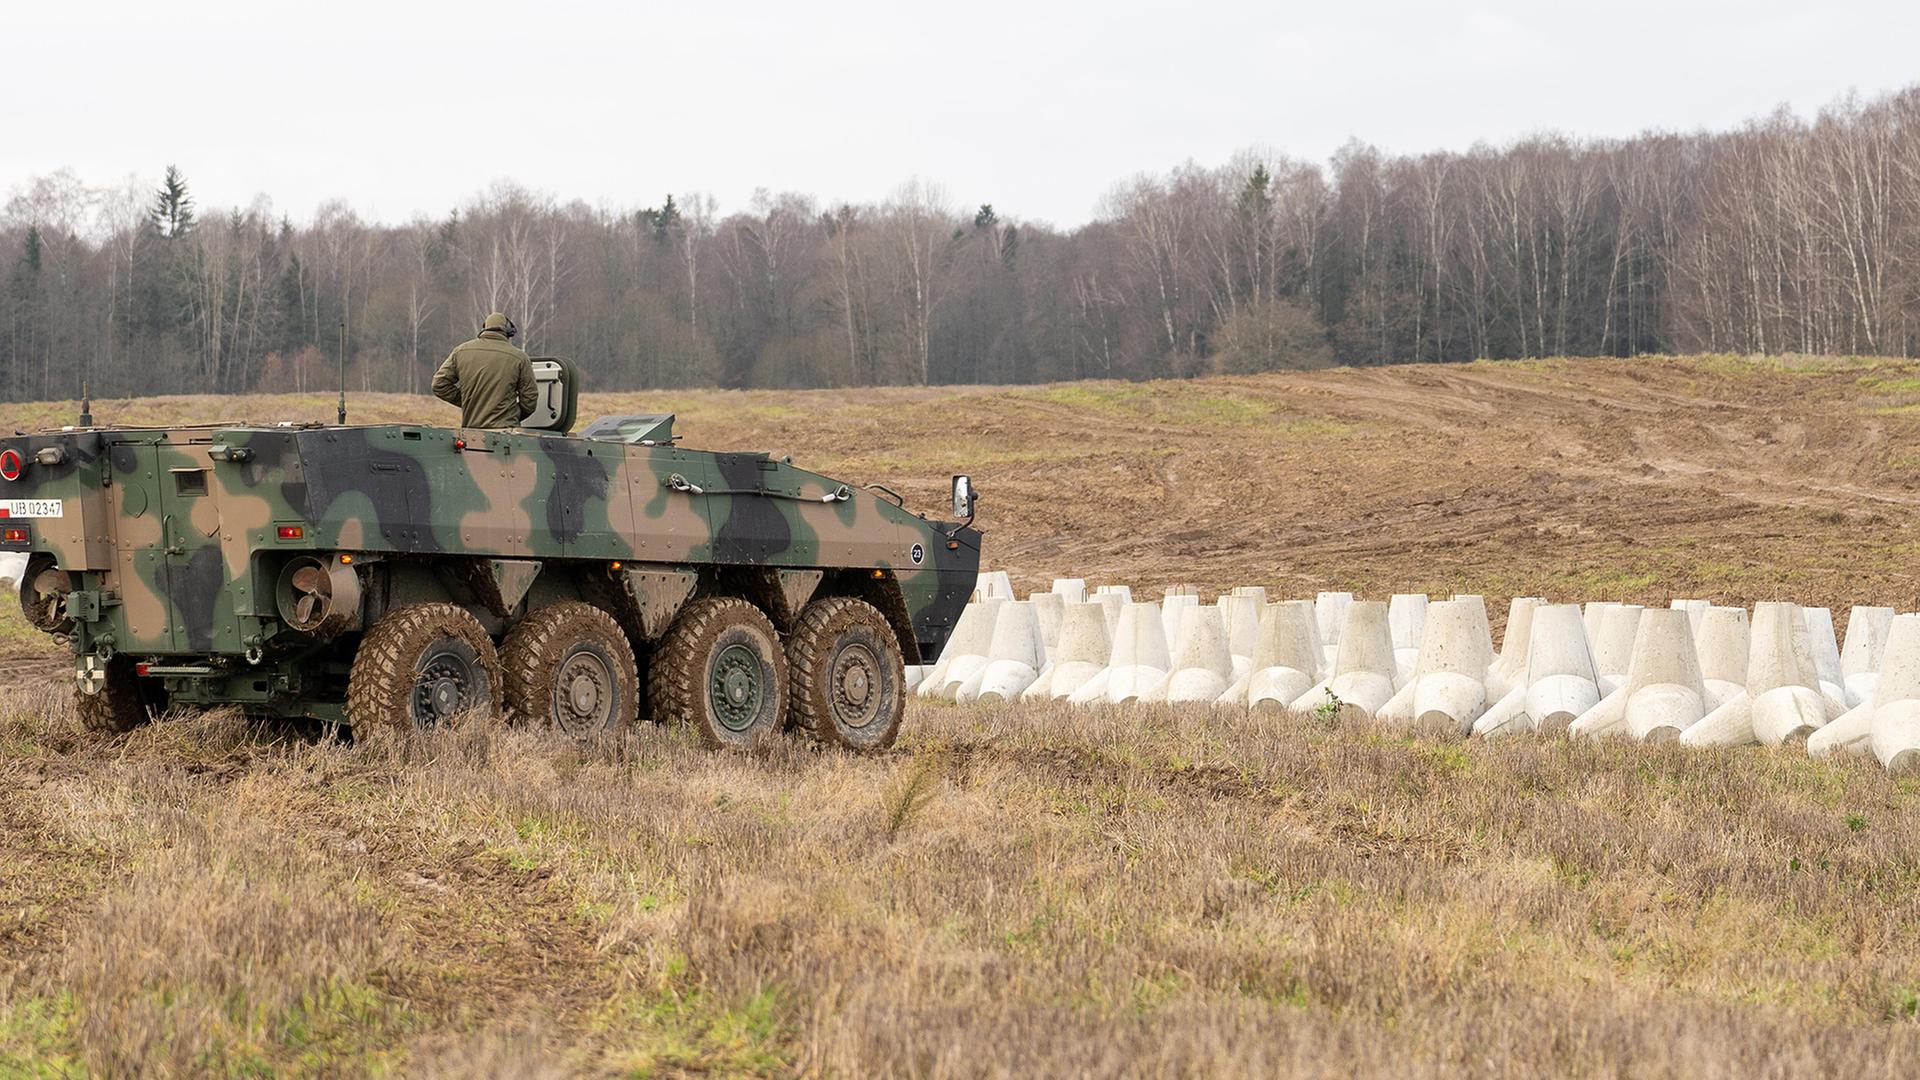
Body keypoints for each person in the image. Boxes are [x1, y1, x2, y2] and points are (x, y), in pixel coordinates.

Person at [432, 312, 537, 428]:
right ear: (507, 332)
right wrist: (512, 414)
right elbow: (530, 399)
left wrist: (470, 402)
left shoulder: (461, 351)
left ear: (485, 328)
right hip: (507, 433)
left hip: (471, 433)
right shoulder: (520, 358)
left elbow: (439, 384)